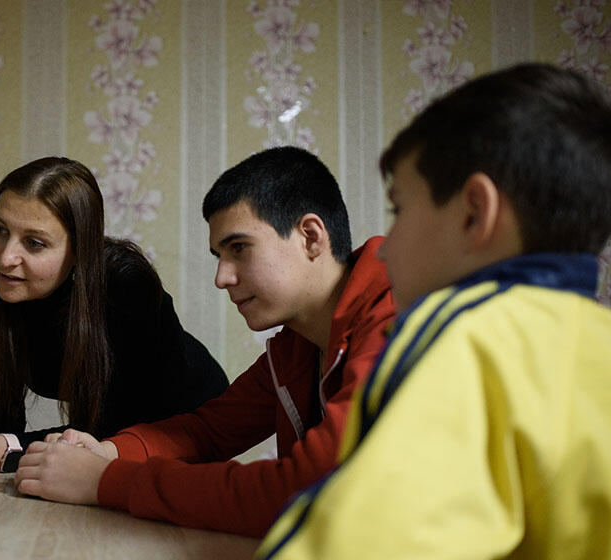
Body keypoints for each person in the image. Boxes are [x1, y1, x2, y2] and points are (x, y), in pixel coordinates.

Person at [256, 63, 611, 559]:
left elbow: (361, 546)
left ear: (474, 214)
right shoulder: (597, 337)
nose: (383, 249)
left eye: (399, 210)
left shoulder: (466, 339)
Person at [13, 146, 397, 537]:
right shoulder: (295, 346)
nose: (222, 277)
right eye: (219, 255)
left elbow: (306, 492)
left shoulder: (395, 319)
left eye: (239, 249)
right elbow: (207, 431)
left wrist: (105, 480)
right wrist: (108, 451)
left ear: (311, 237)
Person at [0, 157, 228, 477]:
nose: (5, 258)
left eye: (34, 243)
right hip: (111, 435)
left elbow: (110, 437)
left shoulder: (125, 287)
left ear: (80, 251)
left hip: (184, 421)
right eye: (0, 230)